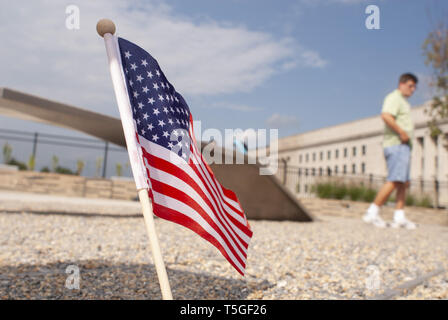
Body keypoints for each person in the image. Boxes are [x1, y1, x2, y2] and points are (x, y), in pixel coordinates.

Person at [363, 73, 418, 229]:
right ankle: (372, 212)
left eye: (414, 87)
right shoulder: (394, 98)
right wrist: (401, 132)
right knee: (395, 179)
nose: (413, 90)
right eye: (410, 85)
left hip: (404, 146)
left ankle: (399, 216)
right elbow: (386, 116)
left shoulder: (404, 102)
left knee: (402, 182)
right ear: (401, 84)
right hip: (396, 144)